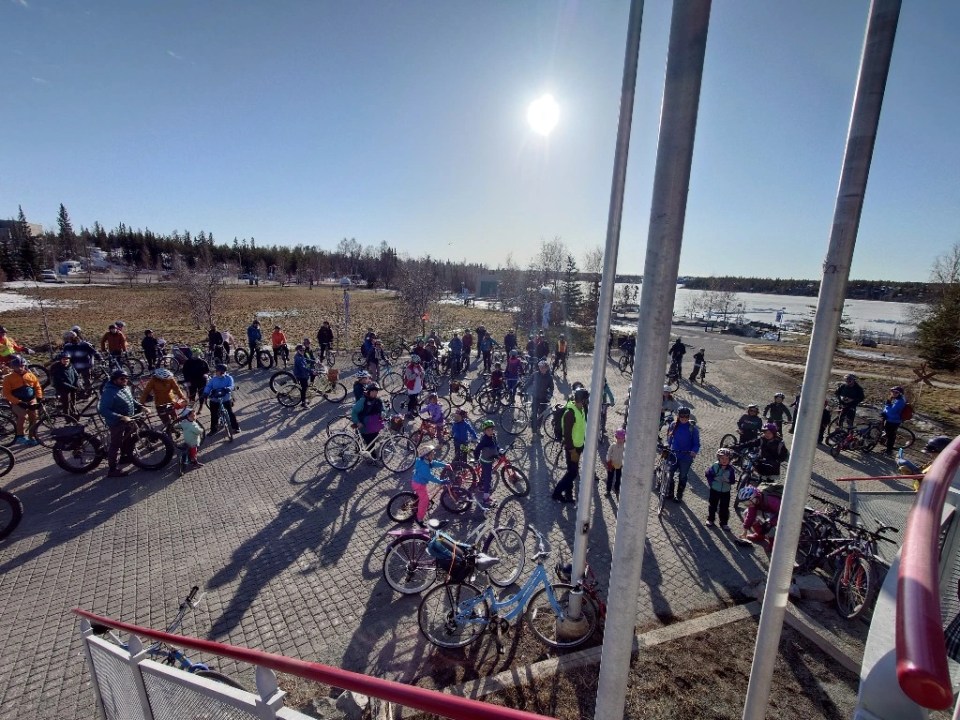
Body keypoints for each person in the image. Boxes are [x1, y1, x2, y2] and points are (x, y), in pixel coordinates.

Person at [97, 368, 145, 477]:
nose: (125, 380)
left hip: (127, 419)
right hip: (116, 422)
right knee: (115, 444)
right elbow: (103, 410)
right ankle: (112, 470)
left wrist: (141, 407)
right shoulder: (109, 392)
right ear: (115, 380)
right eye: (122, 379)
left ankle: (124, 457)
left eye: (126, 378)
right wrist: (121, 417)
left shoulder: (124, 387)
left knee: (127, 439)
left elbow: (130, 400)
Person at [552, 388, 589, 504]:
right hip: (572, 448)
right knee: (572, 473)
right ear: (582, 400)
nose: (587, 402)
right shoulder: (570, 413)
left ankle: (568, 495)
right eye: (586, 400)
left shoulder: (581, 409)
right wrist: (572, 451)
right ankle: (556, 493)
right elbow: (567, 435)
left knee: (571, 471)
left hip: (579, 445)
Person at [3, 355, 43, 446]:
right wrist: (18, 402)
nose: (20, 368)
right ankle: (20, 436)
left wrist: (39, 397)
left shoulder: (30, 375)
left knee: (34, 417)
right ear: (13, 367)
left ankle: (32, 436)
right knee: (23, 416)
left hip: (31, 399)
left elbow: (37, 387)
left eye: (22, 366)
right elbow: (6, 394)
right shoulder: (8, 378)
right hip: (17, 401)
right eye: (17, 366)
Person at [666, 406, 700, 502]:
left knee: (683, 476)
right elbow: (669, 438)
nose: (684, 419)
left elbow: (696, 444)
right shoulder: (673, 425)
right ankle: (670, 492)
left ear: (689, 417)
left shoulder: (693, 429)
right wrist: (667, 446)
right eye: (682, 416)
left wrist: (694, 451)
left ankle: (679, 494)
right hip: (673, 454)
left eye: (686, 417)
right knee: (669, 473)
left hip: (686, 457)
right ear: (678, 416)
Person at [412, 443, 449, 526]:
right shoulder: (424, 466)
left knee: (421, 496)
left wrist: (445, 465)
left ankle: (416, 505)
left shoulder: (425, 461)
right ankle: (419, 519)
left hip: (417, 481)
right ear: (426, 456)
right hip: (419, 485)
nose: (434, 455)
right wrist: (440, 481)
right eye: (432, 454)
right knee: (425, 501)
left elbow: (434, 463)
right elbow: (430, 477)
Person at [735, 485, 781, 550]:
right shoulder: (754, 502)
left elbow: (783, 513)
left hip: (780, 514)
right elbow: (750, 515)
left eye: (747, 502)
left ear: (754, 497)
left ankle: (773, 543)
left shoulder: (771, 500)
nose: (747, 504)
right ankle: (760, 535)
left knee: (768, 525)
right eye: (745, 503)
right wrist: (745, 530)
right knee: (746, 512)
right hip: (768, 512)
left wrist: (770, 523)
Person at [203, 364, 240, 435]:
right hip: (215, 399)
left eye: (217, 370)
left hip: (225, 399)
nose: (216, 372)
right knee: (214, 415)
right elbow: (208, 386)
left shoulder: (229, 378)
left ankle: (236, 427)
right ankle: (213, 430)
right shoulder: (213, 379)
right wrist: (205, 393)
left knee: (230, 413)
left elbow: (232, 385)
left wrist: (228, 389)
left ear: (221, 371)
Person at [705, 448, 736, 529]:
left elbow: (733, 481)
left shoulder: (731, 469)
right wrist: (713, 481)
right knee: (712, 505)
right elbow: (708, 474)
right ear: (718, 458)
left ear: (729, 459)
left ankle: (724, 523)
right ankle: (710, 519)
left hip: (726, 491)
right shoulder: (715, 466)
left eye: (726, 458)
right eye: (722, 458)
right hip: (715, 489)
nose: (724, 460)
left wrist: (728, 480)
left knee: (725, 507)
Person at [351, 381, 385, 453]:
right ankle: (370, 457)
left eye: (376, 391)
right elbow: (354, 412)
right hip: (365, 428)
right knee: (371, 445)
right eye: (372, 391)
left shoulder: (378, 401)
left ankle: (369, 454)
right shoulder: (363, 401)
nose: (374, 393)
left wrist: (383, 413)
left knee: (373, 442)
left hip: (375, 428)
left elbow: (383, 409)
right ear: (369, 391)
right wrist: (357, 422)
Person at [474, 419, 502, 505]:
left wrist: (499, 450)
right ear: (484, 431)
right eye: (488, 430)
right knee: (488, 479)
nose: (490, 432)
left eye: (492, 429)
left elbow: (496, 445)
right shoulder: (484, 440)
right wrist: (476, 459)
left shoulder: (493, 436)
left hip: (490, 460)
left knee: (484, 474)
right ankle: (485, 498)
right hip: (486, 462)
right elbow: (477, 450)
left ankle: (481, 485)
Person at [51, 352, 81, 416]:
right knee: (66, 404)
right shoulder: (57, 369)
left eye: (67, 359)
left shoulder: (71, 366)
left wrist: (77, 384)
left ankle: (74, 414)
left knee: (73, 402)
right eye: (64, 359)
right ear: (61, 360)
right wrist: (73, 387)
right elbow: (61, 382)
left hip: (72, 388)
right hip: (63, 389)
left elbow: (76, 375)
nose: (66, 360)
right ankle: (67, 417)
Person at [880, 386, 907, 455]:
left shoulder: (900, 401)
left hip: (894, 420)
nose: (893, 393)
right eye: (892, 391)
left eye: (896, 392)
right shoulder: (896, 399)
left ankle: (889, 451)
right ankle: (887, 447)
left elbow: (892, 411)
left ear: (900, 393)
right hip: (890, 418)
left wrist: (888, 404)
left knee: (890, 436)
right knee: (888, 433)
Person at [530, 360, 555, 434]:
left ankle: (538, 428)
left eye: (543, 367)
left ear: (547, 368)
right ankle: (534, 429)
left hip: (544, 398)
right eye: (540, 367)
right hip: (535, 397)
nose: (542, 369)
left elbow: (551, 387)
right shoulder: (535, 374)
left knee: (541, 415)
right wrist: (522, 390)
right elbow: (529, 382)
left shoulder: (549, 377)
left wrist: (550, 394)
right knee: (534, 413)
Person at [605, 428, 626, 497]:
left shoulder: (624, 447)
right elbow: (608, 453)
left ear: (624, 438)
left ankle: (617, 489)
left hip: (620, 465)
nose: (620, 440)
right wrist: (608, 461)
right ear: (616, 437)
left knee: (618, 478)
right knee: (610, 478)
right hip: (612, 464)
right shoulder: (613, 445)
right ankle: (608, 490)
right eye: (618, 438)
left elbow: (626, 455)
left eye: (622, 438)